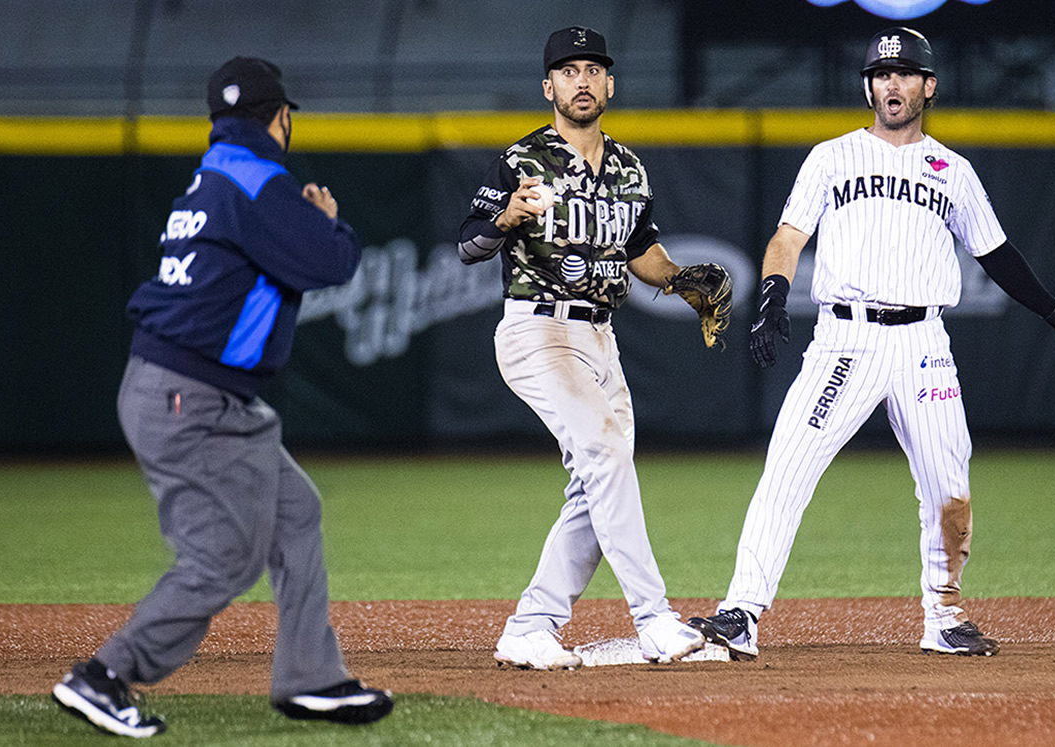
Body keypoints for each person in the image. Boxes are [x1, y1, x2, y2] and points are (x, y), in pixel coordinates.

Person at [689, 27, 1055, 660]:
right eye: (882, 74)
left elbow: (995, 252)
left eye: (906, 73)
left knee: (949, 486)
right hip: (845, 340)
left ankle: (944, 615)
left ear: (928, 86)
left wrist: (1053, 312)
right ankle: (742, 611)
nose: (892, 83)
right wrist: (772, 297)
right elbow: (788, 236)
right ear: (868, 85)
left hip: (924, 345)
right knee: (788, 469)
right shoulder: (832, 157)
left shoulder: (953, 172)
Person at [51, 57, 393, 737]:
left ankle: (311, 678)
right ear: (282, 118)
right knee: (223, 558)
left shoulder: (211, 178)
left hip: (189, 391)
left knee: (294, 512)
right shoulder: (260, 182)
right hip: (193, 398)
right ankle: (104, 673)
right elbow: (331, 263)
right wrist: (329, 221)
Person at [458, 26, 718, 669]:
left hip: (602, 337)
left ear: (608, 84)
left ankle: (530, 626)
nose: (581, 79)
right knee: (605, 456)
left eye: (592, 68)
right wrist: (504, 220)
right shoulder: (522, 160)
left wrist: (683, 282)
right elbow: (467, 243)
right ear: (549, 87)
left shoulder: (629, 166)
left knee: (598, 482)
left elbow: (641, 254)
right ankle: (654, 617)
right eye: (567, 70)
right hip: (539, 329)